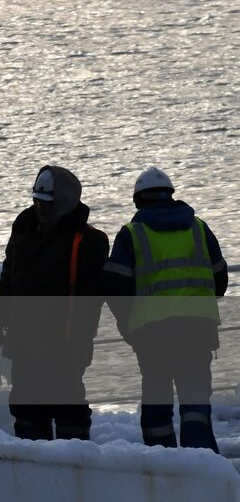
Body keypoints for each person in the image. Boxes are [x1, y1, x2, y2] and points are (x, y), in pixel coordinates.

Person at [100, 167, 227, 452]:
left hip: (153, 336)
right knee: (195, 405)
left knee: (157, 407)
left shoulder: (132, 234)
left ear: (138, 201)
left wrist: (129, 326)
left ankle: (164, 468)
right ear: (171, 196)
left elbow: (114, 288)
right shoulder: (199, 228)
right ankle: (202, 466)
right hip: (198, 331)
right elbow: (220, 281)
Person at [0, 165, 108, 441]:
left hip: (64, 343)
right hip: (24, 341)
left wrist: (79, 338)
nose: (40, 208)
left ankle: (74, 467)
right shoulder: (23, 234)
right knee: (27, 407)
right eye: (36, 201)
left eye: (46, 203)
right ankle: (33, 466)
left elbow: (91, 298)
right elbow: (8, 279)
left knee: (67, 406)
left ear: (64, 203)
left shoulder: (88, 242)